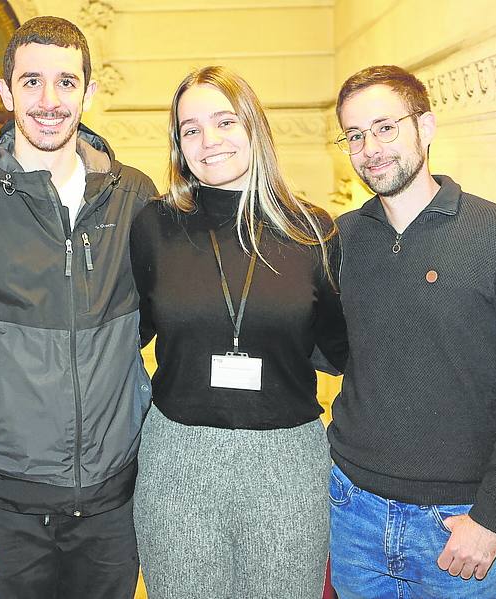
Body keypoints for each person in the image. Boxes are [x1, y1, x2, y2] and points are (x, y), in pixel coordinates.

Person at [0, 16, 157, 599]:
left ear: (90, 93)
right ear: (5, 92)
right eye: (32, 82)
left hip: (113, 507)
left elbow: (167, 322)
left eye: (67, 83)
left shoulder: (135, 200)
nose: (50, 101)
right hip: (5, 511)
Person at [327, 64, 496, 598]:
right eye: (354, 135)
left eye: (385, 127)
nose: (370, 148)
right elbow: (324, 350)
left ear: (425, 128)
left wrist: (492, 516)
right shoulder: (343, 238)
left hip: (458, 526)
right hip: (350, 513)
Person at [129, 65, 348, 599]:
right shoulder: (155, 226)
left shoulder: (313, 231)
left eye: (225, 121)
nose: (209, 141)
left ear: (254, 126)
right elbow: (124, 337)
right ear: (179, 145)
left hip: (286, 465)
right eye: (190, 129)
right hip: (178, 460)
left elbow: (338, 351)